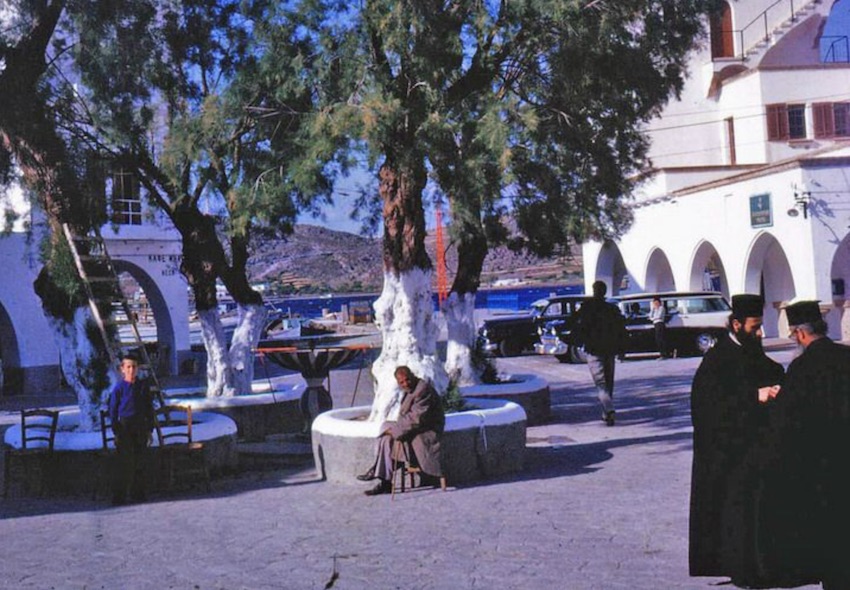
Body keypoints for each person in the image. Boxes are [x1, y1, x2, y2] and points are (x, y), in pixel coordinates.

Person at [688, 294, 784, 588]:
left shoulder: (751, 352)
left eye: (760, 327)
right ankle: (742, 570)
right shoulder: (718, 358)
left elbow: (771, 372)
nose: (760, 333)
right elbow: (708, 406)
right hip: (727, 454)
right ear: (736, 324)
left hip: (753, 449)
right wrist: (754, 396)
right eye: (754, 327)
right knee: (735, 511)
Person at [765, 301, 850, 589]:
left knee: (832, 539)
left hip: (821, 468)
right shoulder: (847, 356)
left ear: (800, 334)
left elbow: (787, 421)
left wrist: (779, 398)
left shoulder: (801, 368)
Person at [356, 366, 445, 496]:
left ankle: (380, 476)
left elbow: (415, 419)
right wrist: (392, 430)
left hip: (425, 433)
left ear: (412, 375)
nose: (405, 384)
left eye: (407, 380)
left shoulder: (422, 390)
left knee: (389, 437)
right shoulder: (410, 390)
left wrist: (395, 431)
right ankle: (384, 480)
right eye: (401, 382)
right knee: (386, 432)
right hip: (416, 430)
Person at [573, 280, 627, 426]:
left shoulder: (586, 308)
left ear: (594, 290)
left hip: (593, 349)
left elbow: (575, 324)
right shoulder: (611, 309)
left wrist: (578, 340)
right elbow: (621, 329)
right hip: (609, 349)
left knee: (601, 383)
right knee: (609, 383)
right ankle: (607, 412)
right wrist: (622, 349)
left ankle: (608, 409)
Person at [108, 352, 155, 505]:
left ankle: (138, 493)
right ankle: (119, 496)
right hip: (124, 427)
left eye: (134, 367)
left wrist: (149, 429)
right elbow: (113, 410)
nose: (131, 370)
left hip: (140, 425)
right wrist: (116, 430)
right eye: (128, 367)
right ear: (122, 369)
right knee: (124, 462)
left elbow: (149, 409)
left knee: (140, 460)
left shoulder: (142, 387)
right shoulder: (119, 388)